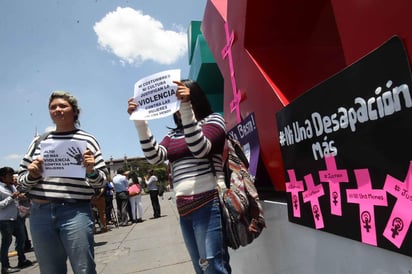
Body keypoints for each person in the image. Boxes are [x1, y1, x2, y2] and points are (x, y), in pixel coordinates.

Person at [127, 79, 231, 273]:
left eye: (179, 97)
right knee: (200, 268)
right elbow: (154, 157)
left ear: (193, 97)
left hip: (208, 204)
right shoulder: (174, 134)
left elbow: (199, 148)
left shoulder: (213, 120)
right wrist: (140, 121)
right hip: (185, 210)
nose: (175, 104)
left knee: (214, 269)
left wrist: (186, 108)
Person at [17, 91, 108, 274]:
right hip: (40, 214)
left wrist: (90, 171)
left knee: (84, 268)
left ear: (75, 111)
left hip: (74, 212)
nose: (57, 110)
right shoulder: (39, 141)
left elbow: (101, 182)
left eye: (62, 106)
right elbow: (20, 183)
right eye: (53, 107)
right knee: (50, 270)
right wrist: (32, 175)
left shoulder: (87, 140)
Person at [0, 167, 33, 274]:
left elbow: (17, 199)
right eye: (9, 175)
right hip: (5, 220)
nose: (12, 177)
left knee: (21, 239)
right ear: (2, 177)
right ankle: (5, 266)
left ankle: (22, 260)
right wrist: (12, 197)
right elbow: (1, 205)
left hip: (16, 217)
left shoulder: (12, 187)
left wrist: (20, 197)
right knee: (6, 243)